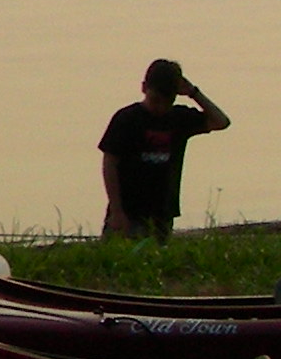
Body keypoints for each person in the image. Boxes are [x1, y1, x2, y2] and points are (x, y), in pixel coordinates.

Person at [98, 60, 231, 241]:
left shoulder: (179, 118)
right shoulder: (127, 118)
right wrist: (116, 210)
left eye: (168, 102)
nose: (160, 107)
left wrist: (194, 93)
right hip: (129, 212)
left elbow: (221, 122)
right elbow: (109, 163)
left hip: (163, 213)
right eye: (155, 100)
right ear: (144, 88)